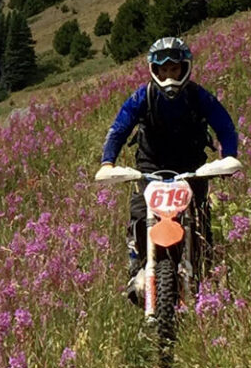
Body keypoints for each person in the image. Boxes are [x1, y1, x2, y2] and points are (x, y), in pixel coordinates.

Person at [100, 37, 239, 305]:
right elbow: (118, 129)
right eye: (163, 70)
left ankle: (202, 268)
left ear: (184, 68)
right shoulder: (143, 96)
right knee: (141, 214)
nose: (168, 75)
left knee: (199, 219)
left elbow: (225, 126)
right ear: (154, 70)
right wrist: (108, 162)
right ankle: (137, 263)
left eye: (174, 69)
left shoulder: (199, 96)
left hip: (192, 168)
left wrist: (228, 157)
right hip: (151, 167)